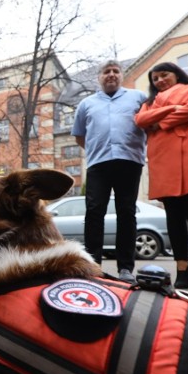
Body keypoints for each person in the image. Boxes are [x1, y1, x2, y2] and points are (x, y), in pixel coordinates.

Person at [135, 62, 188, 290]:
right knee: (173, 216)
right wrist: (172, 111)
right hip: (163, 159)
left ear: (177, 74)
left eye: (164, 75)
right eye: (155, 78)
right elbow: (141, 120)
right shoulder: (148, 103)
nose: (160, 80)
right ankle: (182, 266)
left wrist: (161, 121)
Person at [71, 60, 147, 282]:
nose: (111, 75)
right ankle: (93, 266)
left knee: (127, 212)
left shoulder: (138, 98)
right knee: (94, 212)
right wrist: (97, 148)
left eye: (115, 71)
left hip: (129, 161)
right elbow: (79, 135)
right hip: (98, 164)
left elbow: (150, 124)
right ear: (99, 77)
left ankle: (125, 269)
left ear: (121, 75)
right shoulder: (86, 104)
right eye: (106, 72)